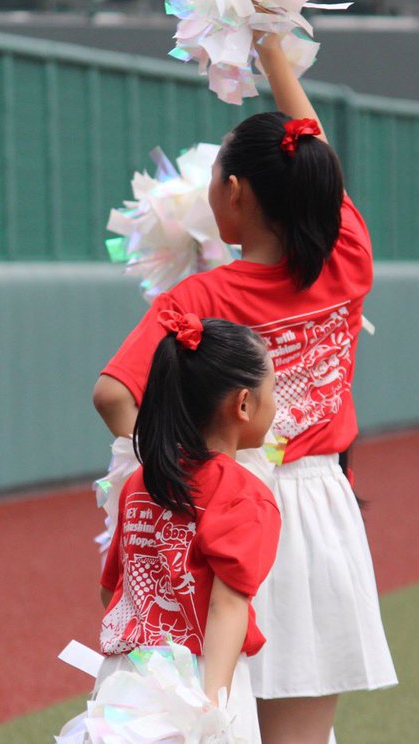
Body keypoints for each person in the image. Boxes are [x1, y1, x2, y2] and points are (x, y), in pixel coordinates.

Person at [93, 32, 397, 743]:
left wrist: (164, 462)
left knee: (206, 716)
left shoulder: (202, 295)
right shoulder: (348, 255)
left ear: (232, 193)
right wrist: (273, 56)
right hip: (321, 510)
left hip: (222, 503)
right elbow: (313, 149)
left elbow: (113, 393)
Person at [95, 313, 282, 741]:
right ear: (243, 404)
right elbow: (227, 606)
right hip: (197, 679)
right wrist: (209, 708)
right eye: (272, 390)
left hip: (125, 679)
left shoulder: (141, 480)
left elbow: (112, 589)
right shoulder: (244, 494)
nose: (276, 402)